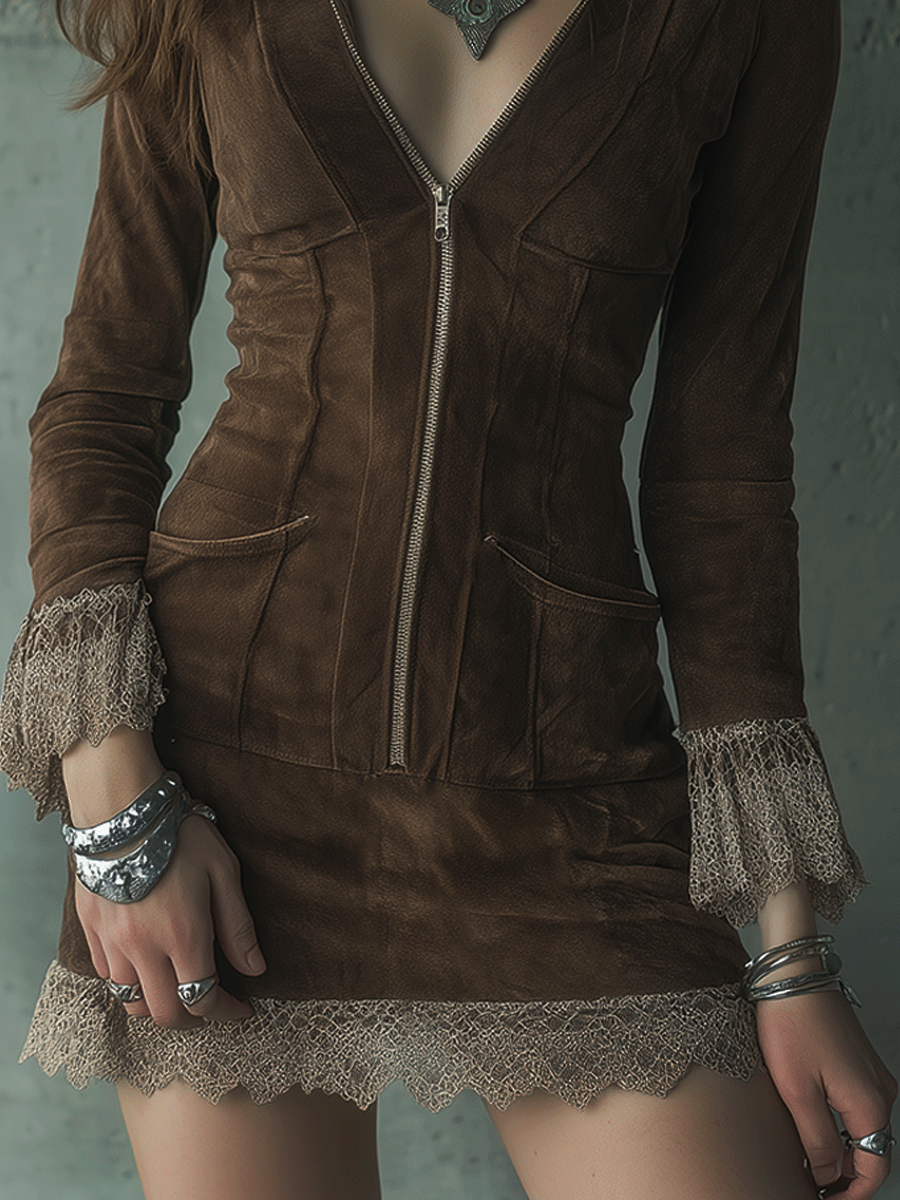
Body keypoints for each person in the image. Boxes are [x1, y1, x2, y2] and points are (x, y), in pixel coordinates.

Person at [0, 0, 895, 1196]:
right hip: (224, 793)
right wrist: (119, 815)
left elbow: (721, 467)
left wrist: (789, 954)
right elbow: (104, 398)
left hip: (567, 786)